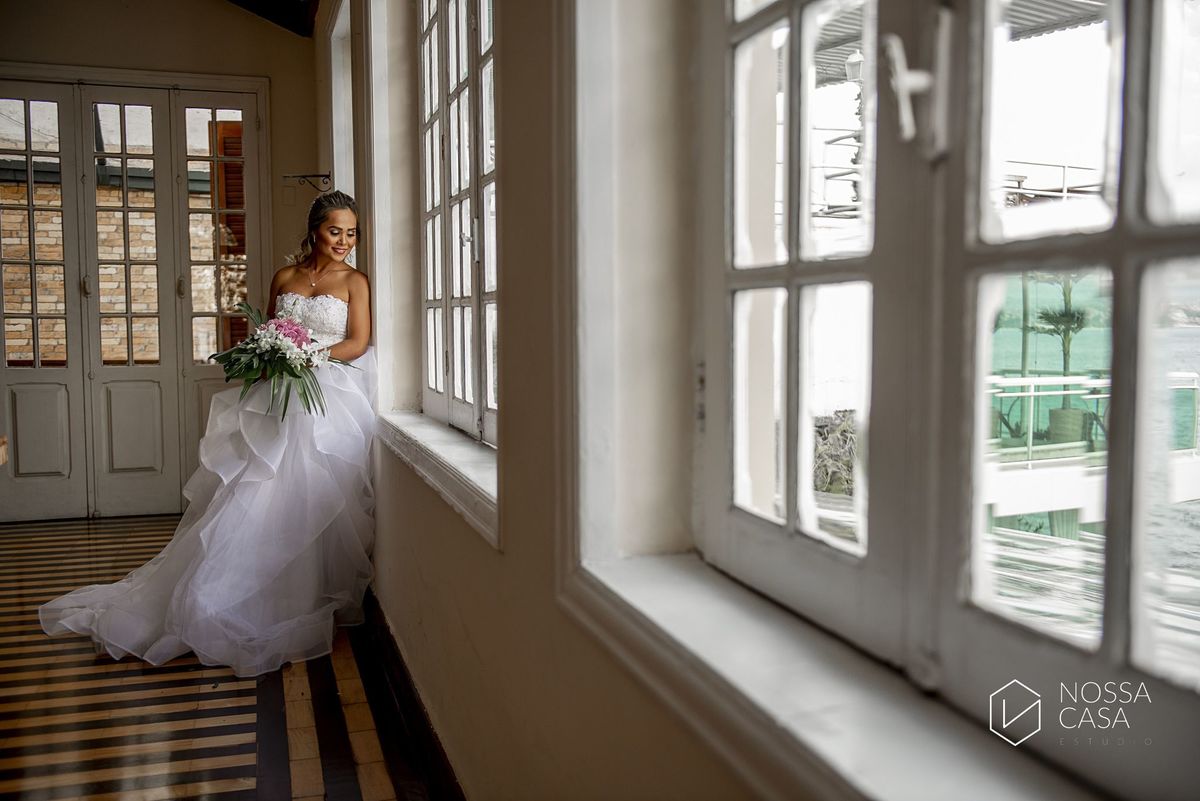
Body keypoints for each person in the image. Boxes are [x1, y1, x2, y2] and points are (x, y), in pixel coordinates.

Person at [39, 191, 378, 678]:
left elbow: (357, 341)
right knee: (250, 488)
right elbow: (267, 330)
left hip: (324, 394)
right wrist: (273, 358)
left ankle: (293, 591)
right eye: (335, 231)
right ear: (314, 230)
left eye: (351, 233)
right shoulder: (285, 277)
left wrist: (309, 359)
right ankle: (219, 592)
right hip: (276, 393)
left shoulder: (355, 282)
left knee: (301, 492)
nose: (344, 241)